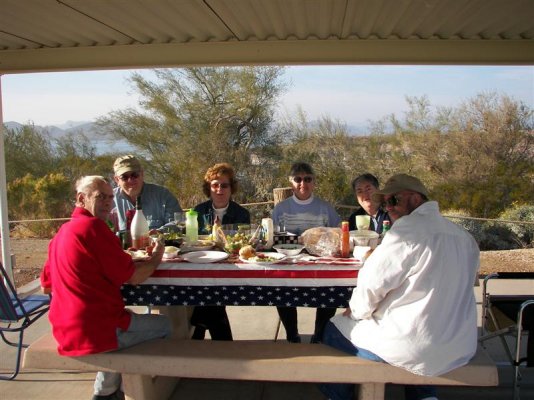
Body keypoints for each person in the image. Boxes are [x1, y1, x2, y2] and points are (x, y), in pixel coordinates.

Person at [319, 174, 480, 400]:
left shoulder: (406, 232)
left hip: (414, 347)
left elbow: (371, 286)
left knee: (332, 329)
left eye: (393, 201)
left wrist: (355, 312)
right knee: (421, 336)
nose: (388, 208)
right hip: (459, 346)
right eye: (384, 203)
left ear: (415, 199)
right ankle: (424, 396)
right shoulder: (464, 237)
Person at [41, 176, 172, 400]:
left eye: (110, 197)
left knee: (128, 320)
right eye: (100, 197)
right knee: (167, 325)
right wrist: (157, 256)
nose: (108, 202)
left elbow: (46, 287)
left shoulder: (62, 233)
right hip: (97, 332)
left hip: (63, 329)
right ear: (81, 199)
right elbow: (135, 277)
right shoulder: (94, 228)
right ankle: (129, 389)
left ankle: (105, 391)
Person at [272, 162, 341, 343]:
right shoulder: (280, 209)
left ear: (314, 182)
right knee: (281, 292)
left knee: (330, 295)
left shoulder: (326, 208)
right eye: (298, 179)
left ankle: (319, 336)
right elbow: (276, 239)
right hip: (290, 262)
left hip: (321, 264)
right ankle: (292, 335)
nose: (303, 184)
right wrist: (301, 242)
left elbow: (337, 236)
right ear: (291, 182)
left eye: (308, 179)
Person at [191, 163, 251, 341]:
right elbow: (192, 241)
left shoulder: (241, 214)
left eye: (224, 185)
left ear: (231, 188)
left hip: (230, 268)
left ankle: (199, 327)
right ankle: (222, 340)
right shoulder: (198, 212)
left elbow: (241, 244)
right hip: (201, 264)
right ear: (208, 188)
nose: (219, 189)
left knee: (211, 293)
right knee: (210, 294)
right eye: (214, 185)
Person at [112, 154, 182, 230]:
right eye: (124, 177)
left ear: (142, 174)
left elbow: (177, 223)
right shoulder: (109, 199)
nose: (130, 180)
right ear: (117, 180)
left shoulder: (163, 196)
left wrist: (159, 233)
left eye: (134, 175)